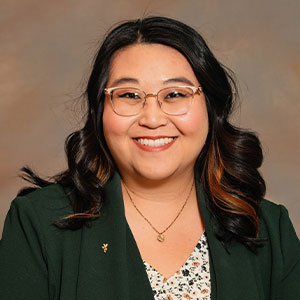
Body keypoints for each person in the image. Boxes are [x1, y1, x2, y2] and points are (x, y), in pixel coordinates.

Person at [0, 16, 299, 300]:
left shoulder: (269, 229)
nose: (152, 119)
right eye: (129, 95)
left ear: (211, 109)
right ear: (99, 111)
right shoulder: (38, 223)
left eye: (175, 95)